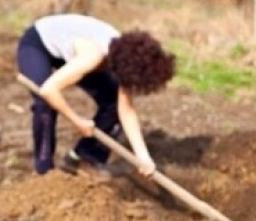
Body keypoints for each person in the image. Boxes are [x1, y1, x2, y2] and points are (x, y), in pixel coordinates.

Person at [16, 13, 176, 177]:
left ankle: (85, 157)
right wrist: (77, 121)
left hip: (72, 49)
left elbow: (126, 111)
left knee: (113, 103)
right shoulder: (92, 56)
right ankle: (44, 170)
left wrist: (144, 157)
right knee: (45, 104)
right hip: (38, 43)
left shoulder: (127, 57)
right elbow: (49, 90)